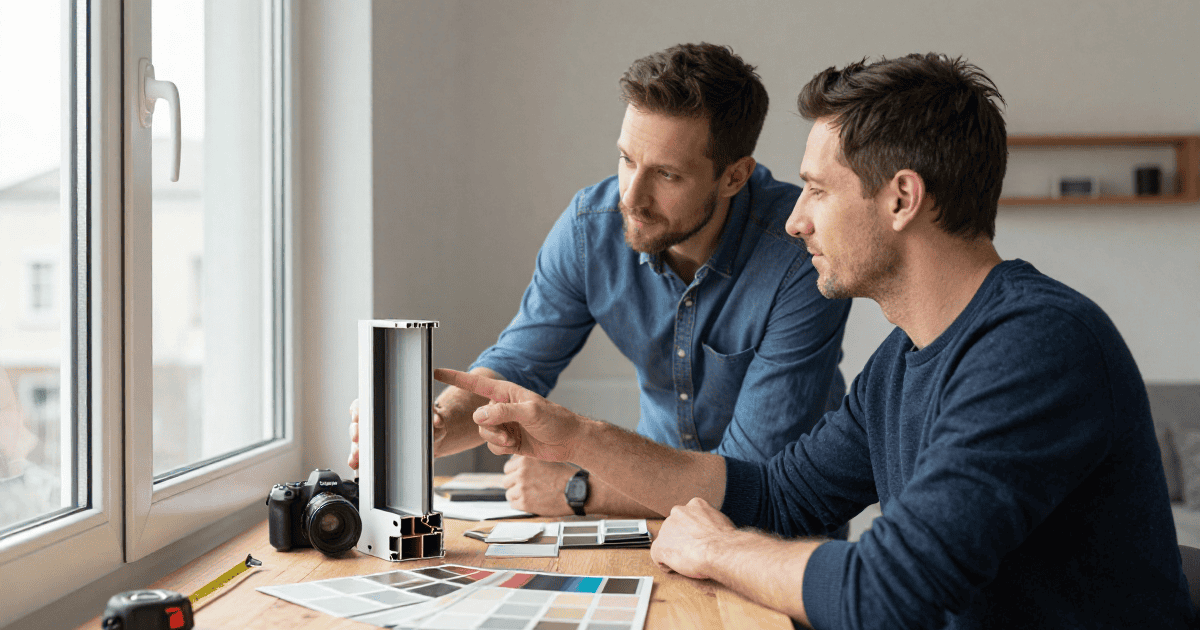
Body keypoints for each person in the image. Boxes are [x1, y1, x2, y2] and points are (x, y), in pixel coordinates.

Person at [434, 53, 1195, 628]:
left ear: (901, 199)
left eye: (819, 191)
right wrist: (575, 436)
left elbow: (887, 593)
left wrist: (719, 549)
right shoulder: (901, 361)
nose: (796, 220)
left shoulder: (1036, 347)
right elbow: (777, 493)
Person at [349, 43, 852, 521]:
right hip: (654, 525)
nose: (631, 196)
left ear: (734, 177)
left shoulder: (802, 251)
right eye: (627, 160)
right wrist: (433, 425)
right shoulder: (592, 228)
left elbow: (752, 480)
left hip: (775, 532)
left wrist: (580, 487)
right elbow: (519, 364)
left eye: (667, 175)